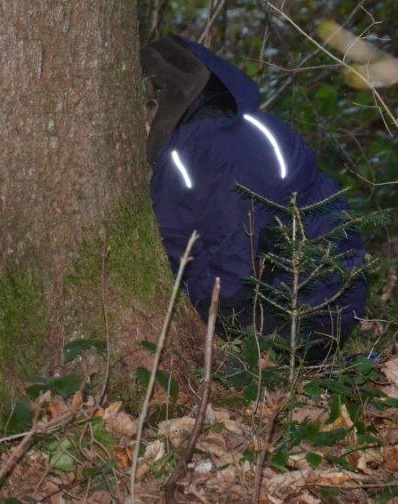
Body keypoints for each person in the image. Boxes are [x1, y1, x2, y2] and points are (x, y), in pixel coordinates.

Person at [143, 35, 367, 363]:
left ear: (160, 103)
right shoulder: (249, 127)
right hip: (334, 300)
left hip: (301, 316)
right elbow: (180, 239)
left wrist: (195, 306)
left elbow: (236, 259)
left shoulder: (199, 151)